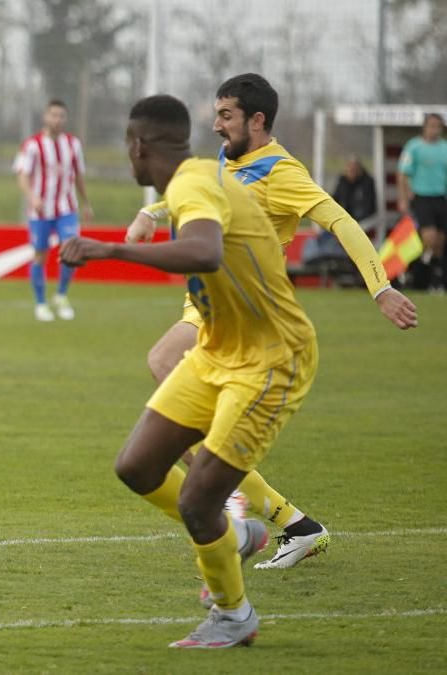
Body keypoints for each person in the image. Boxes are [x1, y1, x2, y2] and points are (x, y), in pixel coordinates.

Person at [127, 74, 417, 575]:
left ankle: (232, 502)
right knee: (168, 380)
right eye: (216, 114)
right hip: (207, 303)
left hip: (247, 313)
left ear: (257, 121)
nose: (216, 126)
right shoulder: (228, 161)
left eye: (226, 116)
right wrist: (151, 210)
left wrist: (381, 286)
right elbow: (199, 196)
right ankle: (291, 522)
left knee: (164, 365)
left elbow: (342, 222)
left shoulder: (281, 171)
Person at [61, 94, 320, 648]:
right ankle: (242, 535)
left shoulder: (190, 184)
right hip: (217, 350)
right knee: (137, 467)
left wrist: (109, 253)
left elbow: (203, 251)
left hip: (271, 357)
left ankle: (233, 616)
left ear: (138, 147)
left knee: (197, 501)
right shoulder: (200, 175)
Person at [14, 99, 92, 321]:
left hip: (67, 208)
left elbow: (78, 175)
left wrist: (86, 202)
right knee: (40, 254)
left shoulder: (73, 144)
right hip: (40, 211)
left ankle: (61, 295)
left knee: (71, 250)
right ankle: (41, 303)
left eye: (61, 116)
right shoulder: (32, 145)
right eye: (53, 115)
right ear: (45, 117)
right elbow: (22, 175)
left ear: (65, 119)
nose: (57, 119)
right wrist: (32, 197)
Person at [397, 113, 447, 291]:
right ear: (425, 127)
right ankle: (415, 274)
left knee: (440, 244)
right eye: (431, 126)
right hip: (422, 197)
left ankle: (432, 280)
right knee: (430, 239)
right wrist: (403, 198)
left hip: (440, 198)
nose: (435, 130)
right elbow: (403, 173)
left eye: (438, 126)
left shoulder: (444, 148)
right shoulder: (414, 147)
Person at [304, 155, 377, 264]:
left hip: (355, 227)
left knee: (332, 243)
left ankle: (326, 261)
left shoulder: (367, 185)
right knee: (316, 240)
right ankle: (312, 261)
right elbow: (333, 202)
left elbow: (369, 210)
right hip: (339, 224)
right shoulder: (342, 182)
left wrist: (348, 229)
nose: (350, 172)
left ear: (359, 170)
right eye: (348, 169)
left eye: (353, 169)